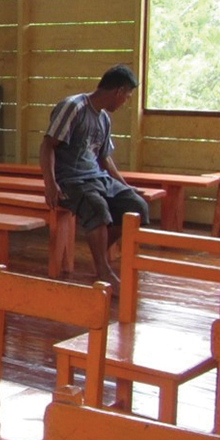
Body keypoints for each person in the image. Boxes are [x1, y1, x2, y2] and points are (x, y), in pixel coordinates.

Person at [39, 64, 149, 288]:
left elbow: (104, 159)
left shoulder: (104, 119)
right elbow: (47, 145)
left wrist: (125, 186)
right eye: (127, 96)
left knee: (137, 206)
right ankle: (103, 270)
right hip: (70, 180)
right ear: (118, 91)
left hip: (97, 178)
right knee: (97, 208)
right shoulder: (74, 107)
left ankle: (98, 252)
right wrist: (50, 184)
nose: (125, 102)